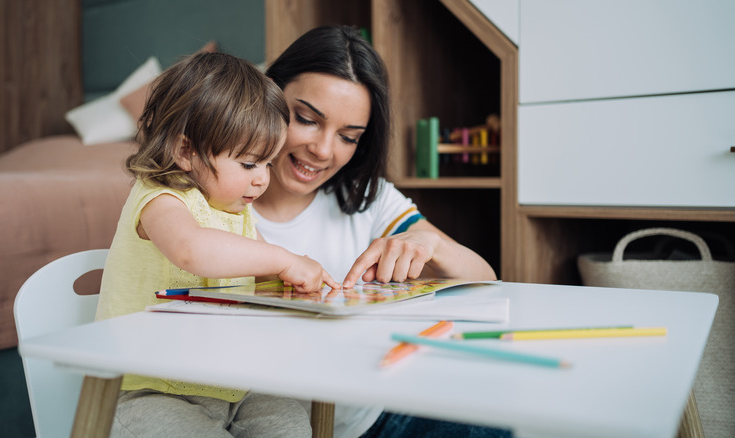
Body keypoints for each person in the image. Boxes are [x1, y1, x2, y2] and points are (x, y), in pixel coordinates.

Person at [253, 26, 509, 438]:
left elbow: (485, 279)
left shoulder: (364, 197)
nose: (323, 150)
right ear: (267, 95)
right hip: (265, 423)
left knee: (491, 423)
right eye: (305, 119)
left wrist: (432, 243)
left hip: (372, 418)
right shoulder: (218, 200)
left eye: (348, 136)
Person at [96, 52, 338, 438]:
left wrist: (292, 285)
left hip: (231, 384)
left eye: (268, 164)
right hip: (152, 390)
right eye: (248, 164)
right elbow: (191, 250)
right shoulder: (160, 198)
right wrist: (281, 257)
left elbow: (260, 276)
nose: (262, 180)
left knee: (290, 422)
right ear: (186, 152)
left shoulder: (237, 213)